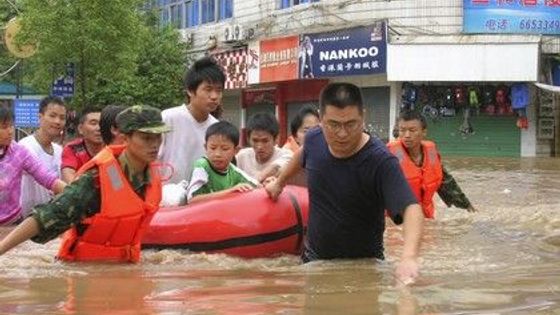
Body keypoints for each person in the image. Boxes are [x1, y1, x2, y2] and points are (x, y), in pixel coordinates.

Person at [265, 83, 424, 284]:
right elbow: (302, 155)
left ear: (363, 117)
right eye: (333, 124)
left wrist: (409, 257)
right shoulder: (314, 138)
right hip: (313, 262)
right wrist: (279, 182)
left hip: (362, 270)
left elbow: (411, 209)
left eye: (351, 124)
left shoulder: (380, 161)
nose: (342, 134)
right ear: (321, 119)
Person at [0, 105, 171, 263]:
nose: (155, 145)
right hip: (84, 271)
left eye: (158, 137)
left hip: (126, 268)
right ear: (125, 138)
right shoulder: (97, 180)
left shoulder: (151, 176)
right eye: (146, 138)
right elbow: (45, 217)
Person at [388, 111, 477, 219]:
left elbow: (447, 183)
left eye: (412, 130)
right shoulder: (388, 157)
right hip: (396, 222)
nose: (407, 135)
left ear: (424, 132)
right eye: (402, 130)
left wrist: (467, 205)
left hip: (426, 219)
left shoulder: (431, 154)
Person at [159, 57, 224, 184]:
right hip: (165, 198)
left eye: (219, 90)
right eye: (208, 89)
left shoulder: (216, 127)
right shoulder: (168, 118)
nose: (214, 96)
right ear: (190, 90)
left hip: (199, 199)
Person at [0, 106, 66, 226]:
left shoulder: (19, 152)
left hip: (13, 223)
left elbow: (47, 178)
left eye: (11, 126)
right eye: (4, 127)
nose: (10, 131)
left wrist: (75, 194)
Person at [186, 121, 259, 204]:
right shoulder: (202, 166)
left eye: (225, 149)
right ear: (206, 147)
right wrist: (230, 192)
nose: (217, 154)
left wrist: (269, 182)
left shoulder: (233, 170)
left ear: (235, 151)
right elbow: (192, 200)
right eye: (213, 148)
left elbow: (257, 186)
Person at [19, 96, 67, 216]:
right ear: (40, 117)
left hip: (50, 222)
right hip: (24, 222)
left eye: (62, 118)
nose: (57, 121)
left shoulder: (59, 151)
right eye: (52, 115)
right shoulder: (25, 147)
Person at [236, 112, 293, 183]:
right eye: (255, 140)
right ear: (248, 139)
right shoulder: (242, 156)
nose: (259, 146)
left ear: (276, 139)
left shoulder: (286, 155)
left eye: (265, 141)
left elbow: (274, 168)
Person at [61, 107, 103, 182]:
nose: (99, 128)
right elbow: (69, 181)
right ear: (80, 129)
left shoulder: (112, 149)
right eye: (93, 123)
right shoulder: (72, 149)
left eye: (102, 124)